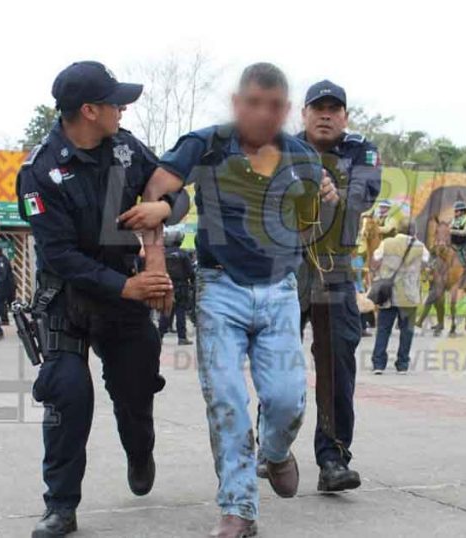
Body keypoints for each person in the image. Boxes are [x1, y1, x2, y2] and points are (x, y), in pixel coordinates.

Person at [158, 62, 327, 537]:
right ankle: (238, 509)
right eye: (252, 102)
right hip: (219, 289)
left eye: (273, 106)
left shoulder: (303, 158)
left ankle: (274, 453)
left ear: (284, 110)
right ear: (238, 103)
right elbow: (163, 185)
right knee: (228, 401)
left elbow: (308, 220)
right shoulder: (205, 145)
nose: (262, 114)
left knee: (287, 400)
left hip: (278, 292)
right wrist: (165, 205)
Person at [17, 61, 185, 538]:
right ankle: (61, 505)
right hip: (68, 298)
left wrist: (165, 207)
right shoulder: (40, 171)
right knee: (68, 394)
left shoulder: (127, 150)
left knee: (135, 393)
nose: (123, 108)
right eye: (114, 102)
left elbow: (176, 189)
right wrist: (126, 286)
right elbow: (60, 255)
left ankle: (140, 450)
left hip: (124, 292)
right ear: (89, 110)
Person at [295, 79, 381, 492]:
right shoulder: (282, 148)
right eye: (318, 108)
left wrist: (335, 194)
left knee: (336, 368)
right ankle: (271, 450)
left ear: (345, 117)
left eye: (334, 109)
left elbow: (363, 195)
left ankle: (332, 459)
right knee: (276, 363)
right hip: (286, 270)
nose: (326, 114)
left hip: (334, 269)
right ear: (304, 113)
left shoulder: (360, 151)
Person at [370, 217, 430, 374]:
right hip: (409, 296)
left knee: (383, 329)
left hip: (388, 294)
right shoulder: (420, 246)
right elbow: (426, 262)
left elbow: (375, 259)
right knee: (406, 331)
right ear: (414, 231)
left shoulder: (387, 243)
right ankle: (402, 364)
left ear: (398, 230)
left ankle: (378, 364)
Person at [158, 231, 193, 345]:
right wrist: (193, 282)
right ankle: (182, 338)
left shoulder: (162, 254)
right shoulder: (183, 254)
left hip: (166, 285)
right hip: (181, 287)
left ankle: (159, 336)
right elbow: (190, 272)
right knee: (180, 312)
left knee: (166, 311)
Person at [450, 200, 466, 284]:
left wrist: (452, 231)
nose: (455, 212)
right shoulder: (453, 220)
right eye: (455, 210)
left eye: (457, 210)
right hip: (453, 244)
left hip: (463, 244)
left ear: (462, 211)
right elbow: (449, 228)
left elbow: (465, 232)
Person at [0, 243, 15, 326]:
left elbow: (3, 274)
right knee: (11, 303)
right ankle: (18, 319)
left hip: (6, 284)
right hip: (8, 284)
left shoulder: (1, 260)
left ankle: (4, 319)